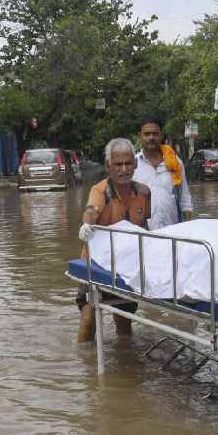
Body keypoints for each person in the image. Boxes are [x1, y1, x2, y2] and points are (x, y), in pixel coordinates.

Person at [76, 138, 152, 342]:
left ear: (135, 164)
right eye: (118, 164)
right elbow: (91, 210)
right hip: (95, 265)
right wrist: (86, 225)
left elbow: (144, 227)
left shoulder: (144, 192)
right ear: (108, 166)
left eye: (128, 163)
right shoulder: (100, 190)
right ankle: (84, 363)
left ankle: (124, 361)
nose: (124, 169)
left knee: (124, 321)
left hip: (126, 267)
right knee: (88, 320)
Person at [133, 118, 193, 230]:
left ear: (161, 135)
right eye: (147, 134)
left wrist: (188, 228)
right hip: (141, 234)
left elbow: (185, 198)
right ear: (140, 136)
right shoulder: (132, 165)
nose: (151, 138)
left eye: (155, 134)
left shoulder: (175, 163)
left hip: (172, 233)